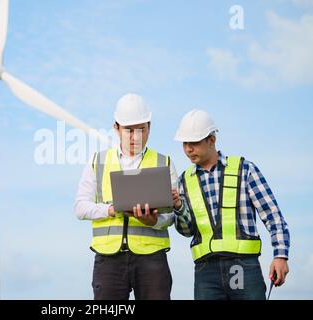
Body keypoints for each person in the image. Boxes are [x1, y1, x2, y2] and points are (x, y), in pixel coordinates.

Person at [172, 109, 290, 300]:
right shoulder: (184, 181)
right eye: (184, 143)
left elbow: (273, 216)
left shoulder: (244, 169)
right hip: (205, 271)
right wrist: (178, 207)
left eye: (194, 142)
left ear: (212, 140)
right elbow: (187, 230)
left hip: (242, 266)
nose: (188, 149)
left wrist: (280, 256)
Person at [74, 93, 179, 300]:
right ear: (116, 128)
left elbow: (172, 215)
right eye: (129, 130)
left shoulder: (164, 162)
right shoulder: (98, 161)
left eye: (142, 129)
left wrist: (154, 220)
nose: (136, 137)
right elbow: (80, 207)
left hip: (152, 260)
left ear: (149, 126)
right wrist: (110, 209)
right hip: (109, 260)